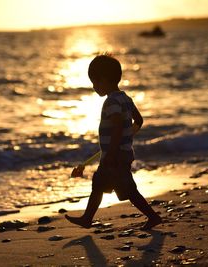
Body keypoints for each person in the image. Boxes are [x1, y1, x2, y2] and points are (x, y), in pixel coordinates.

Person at [65, 54, 162, 230]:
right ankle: (87, 218)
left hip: (114, 155)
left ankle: (153, 217)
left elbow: (117, 125)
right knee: (100, 184)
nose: (94, 87)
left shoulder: (111, 102)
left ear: (103, 80)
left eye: (95, 83)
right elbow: (138, 120)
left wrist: (112, 150)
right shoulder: (126, 98)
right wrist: (128, 134)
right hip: (121, 152)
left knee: (127, 189)